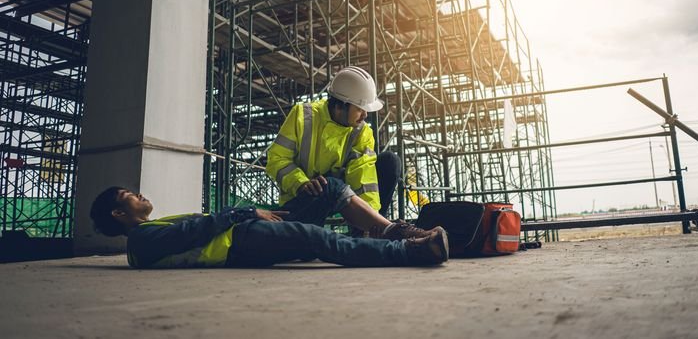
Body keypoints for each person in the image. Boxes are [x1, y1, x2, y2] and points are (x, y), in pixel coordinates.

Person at [89, 185, 449, 269]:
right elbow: (194, 233)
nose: (138, 194)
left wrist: (247, 213)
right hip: (240, 242)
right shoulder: (140, 241)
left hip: (243, 230)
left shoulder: (147, 231)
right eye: (129, 196)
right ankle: (409, 251)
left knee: (331, 188)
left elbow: (194, 228)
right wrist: (244, 213)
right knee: (319, 238)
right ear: (119, 214)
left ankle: (393, 231)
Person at [266, 66, 408, 236]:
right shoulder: (303, 117)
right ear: (340, 106)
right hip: (304, 197)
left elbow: (363, 176)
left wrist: (371, 219)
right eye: (359, 109)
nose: (364, 115)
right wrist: (301, 183)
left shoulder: (361, 131)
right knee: (306, 249)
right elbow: (277, 159)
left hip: (342, 196)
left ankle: (364, 233)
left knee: (390, 162)